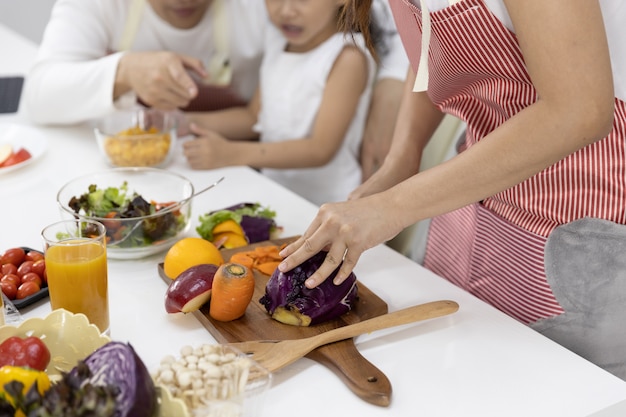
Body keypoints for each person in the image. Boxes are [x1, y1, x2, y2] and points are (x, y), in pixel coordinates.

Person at [278, 0, 626, 380]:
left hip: (584, 224)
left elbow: (578, 112)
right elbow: (433, 46)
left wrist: (394, 206)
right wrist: (402, 161)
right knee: (450, 373)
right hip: (472, 195)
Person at [21, 0, 407, 173]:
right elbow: (38, 93)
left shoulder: (286, 25)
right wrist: (126, 69)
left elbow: (401, 20)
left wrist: (392, 85)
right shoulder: (281, 32)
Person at [182, 0, 376, 206]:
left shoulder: (347, 58)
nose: (286, 11)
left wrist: (230, 154)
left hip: (327, 205)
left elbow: (320, 150)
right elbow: (253, 117)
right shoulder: (277, 42)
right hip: (275, 194)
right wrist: (182, 121)